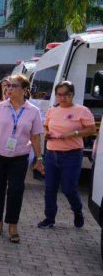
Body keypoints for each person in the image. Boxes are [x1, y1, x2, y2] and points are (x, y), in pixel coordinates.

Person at [0, 75, 44, 243]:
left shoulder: (33, 111)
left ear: (24, 89)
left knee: (16, 190)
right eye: (8, 86)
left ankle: (12, 225)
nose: (9, 89)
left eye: (14, 86)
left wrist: (39, 158)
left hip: (19, 157)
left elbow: (35, 137)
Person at [38, 81, 96, 229]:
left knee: (69, 188)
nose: (62, 98)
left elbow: (90, 130)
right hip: (52, 153)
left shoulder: (82, 111)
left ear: (72, 94)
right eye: (59, 95)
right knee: (50, 188)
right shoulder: (52, 110)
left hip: (72, 154)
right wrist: (46, 133)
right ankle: (49, 218)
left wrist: (74, 133)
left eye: (66, 95)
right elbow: (45, 125)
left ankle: (78, 212)